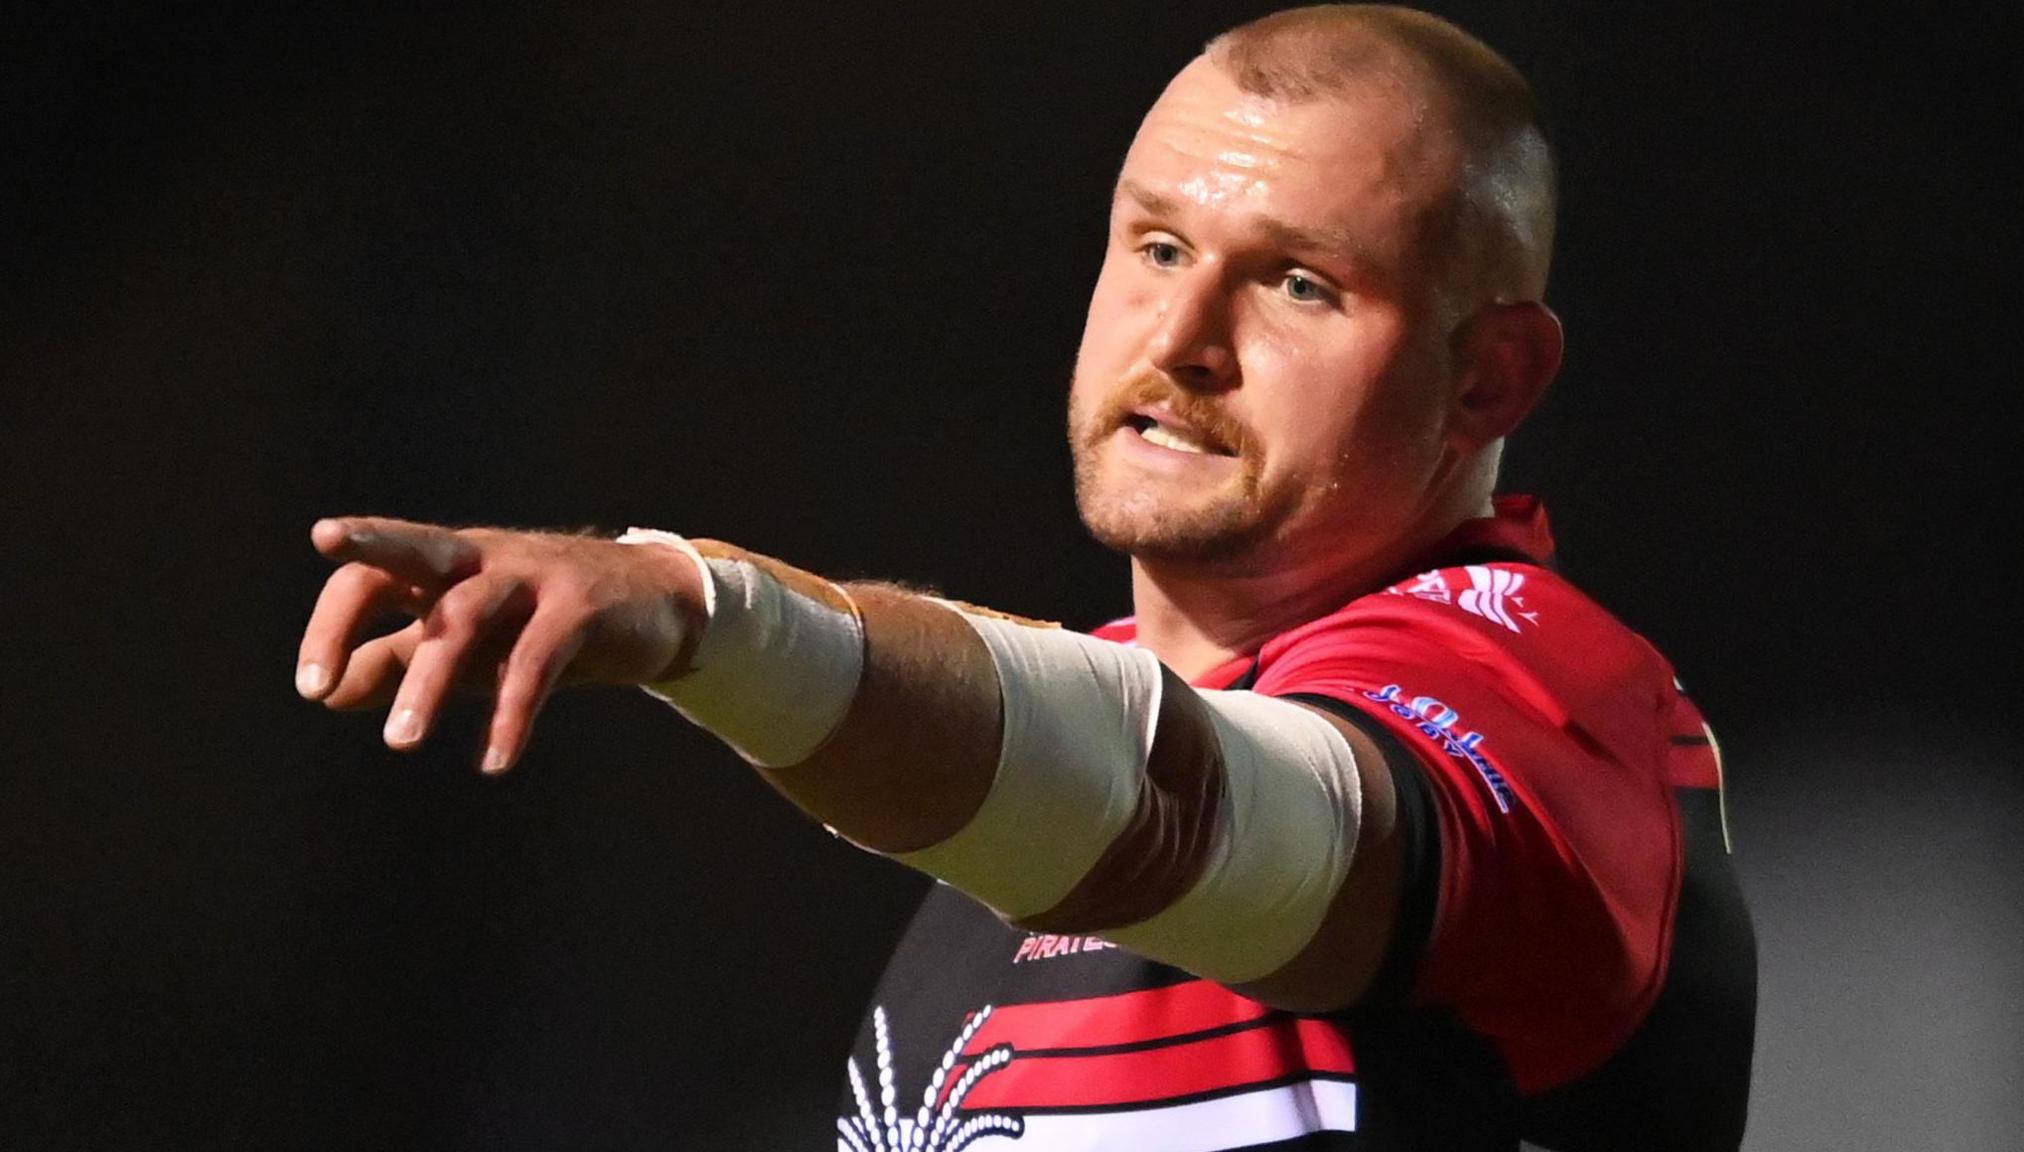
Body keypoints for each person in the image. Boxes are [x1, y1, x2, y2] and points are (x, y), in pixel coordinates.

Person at [293, 5, 1756, 1148]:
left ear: (1490, 377)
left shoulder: (1543, 707)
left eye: (1301, 283)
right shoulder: (1013, 831)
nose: (1183, 333)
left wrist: (709, 613)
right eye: (1159, 244)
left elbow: (1186, 801)